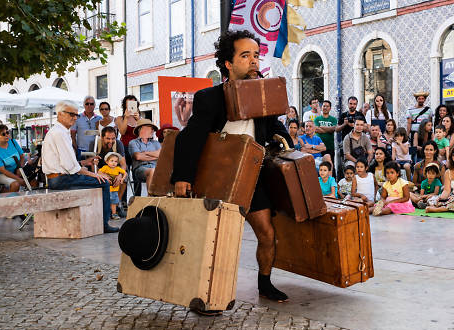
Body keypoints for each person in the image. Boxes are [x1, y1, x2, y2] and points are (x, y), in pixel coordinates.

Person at [171, 29, 292, 304]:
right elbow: (189, 138)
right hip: (218, 178)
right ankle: (204, 294)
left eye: (256, 56)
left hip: (252, 176)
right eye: (245, 55)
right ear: (228, 62)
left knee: (267, 232)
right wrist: (183, 177)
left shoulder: (263, 95)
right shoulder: (209, 98)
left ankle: (265, 283)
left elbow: (275, 127)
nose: (253, 61)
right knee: (214, 241)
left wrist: (284, 139)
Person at [41, 101, 116, 233]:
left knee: (97, 177)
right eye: (72, 114)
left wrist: (85, 163)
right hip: (61, 180)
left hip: (59, 178)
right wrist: (94, 174)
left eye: (76, 115)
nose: (75, 118)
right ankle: (103, 224)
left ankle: (96, 220)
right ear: (60, 114)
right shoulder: (59, 133)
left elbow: (68, 163)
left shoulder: (61, 131)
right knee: (103, 182)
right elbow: (70, 167)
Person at [0, 125, 28, 193]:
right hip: (1, 174)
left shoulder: (13, 142)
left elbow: (22, 156)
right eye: (3, 134)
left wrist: (20, 168)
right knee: (16, 184)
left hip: (17, 171)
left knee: (33, 181)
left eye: (7, 132)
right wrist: (18, 178)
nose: (7, 135)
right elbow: (3, 170)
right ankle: (10, 202)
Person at [128, 119, 161, 186]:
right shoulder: (133, 142)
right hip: (140, 169)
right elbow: (138, 156)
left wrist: (145, 152)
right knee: (152, 171)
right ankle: (151, 196)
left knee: (168, 172)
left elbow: (161, 155)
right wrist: (155, 156)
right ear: (141, 129)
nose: (153, 131)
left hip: (157, 168)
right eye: (151, 128)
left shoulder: (156, 143)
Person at [314, 100, 344, 165]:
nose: (325, 108)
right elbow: (316, 130)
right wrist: (329, 129)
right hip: (319, 146)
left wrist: (321, 127)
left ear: (330, 108)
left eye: (327, 106)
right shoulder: (317, 119)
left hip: (330, 146)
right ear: (321, 107)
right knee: (319, 164)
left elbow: (333, 129)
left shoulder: (333, 119)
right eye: (324, 106)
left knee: (330, 164)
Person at [98, 152, 127, 220]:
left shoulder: (118, 169)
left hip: (114, 190)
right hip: (107, 189)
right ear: (107, 161)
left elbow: (125, 173)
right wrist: (104, 175)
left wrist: (122, 179)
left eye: (116, 161)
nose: (114, 163)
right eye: (112, 161)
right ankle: (106, 214)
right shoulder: (105, 168)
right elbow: (99, 172)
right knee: (106, 201)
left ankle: (114, 213)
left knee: (114, 202)